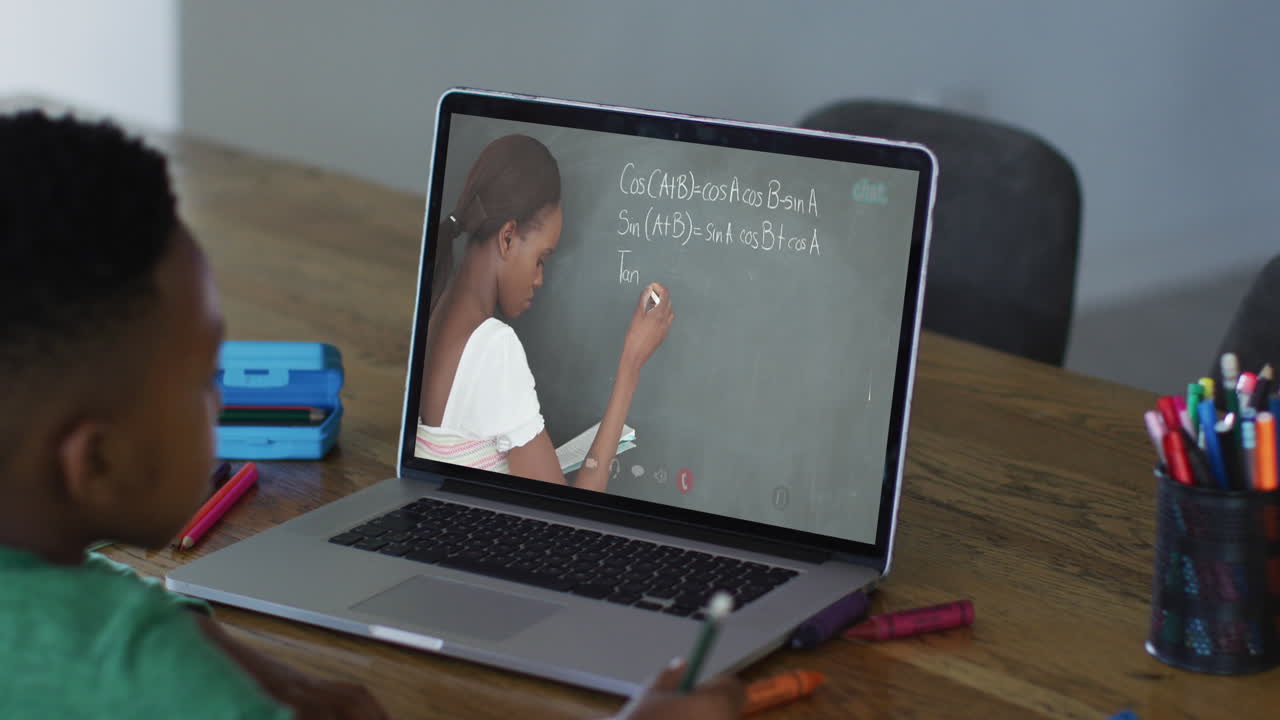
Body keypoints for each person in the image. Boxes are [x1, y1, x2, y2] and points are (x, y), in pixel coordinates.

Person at [0, 112, 739, 720]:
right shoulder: (153, 680)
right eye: (202, 379)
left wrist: (212, 645)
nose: (222, 401)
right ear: (95, 461)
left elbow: (86, 592)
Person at [417, 135, 673, 492]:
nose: (539, 279)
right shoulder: (494, 348)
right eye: (540, 259)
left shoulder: (431, 308)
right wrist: (631, 363)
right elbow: (569, 520)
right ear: (507, 238)